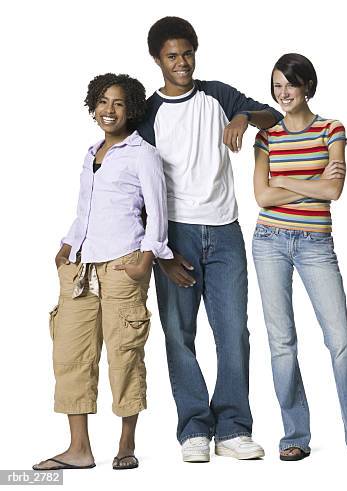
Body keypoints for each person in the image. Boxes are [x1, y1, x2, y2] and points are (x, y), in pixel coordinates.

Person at [138, 17, 283, 462]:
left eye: (187, 53)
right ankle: (194, 429)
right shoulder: (147, 112)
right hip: (175, 235)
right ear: (157, 60)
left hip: (224, 232)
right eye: (172, 56)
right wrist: (161, 254)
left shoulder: (218, 94)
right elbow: (138, 190)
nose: (181, 62)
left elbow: (273, 116)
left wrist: (241, 115)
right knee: (179, 335)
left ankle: (234, 427)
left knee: (233, 332)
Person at [251, 53, 347, 461]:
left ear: (306, 85)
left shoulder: (332, 129)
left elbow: (335, 192)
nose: (283, 93)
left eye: (289, 84)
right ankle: (294, 435)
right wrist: (311, 180)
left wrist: (284, 180)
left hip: (315, 244)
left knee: (340, 340)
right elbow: (262, 196)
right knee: (282, 343)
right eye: (276, 86)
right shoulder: (266, 136)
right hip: (268, 241)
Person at [33, 73, 172, 471]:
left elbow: (157, 212)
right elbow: (85, 211)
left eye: (119, 104)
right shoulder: (91, 152)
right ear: (93, 105)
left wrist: (147, 258)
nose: (109, 110)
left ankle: (126, 443)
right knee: (70, 355)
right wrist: (64, 248)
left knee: (125, 355)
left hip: (122, 265)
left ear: (132, 110)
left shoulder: (142, 153)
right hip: (80, 268)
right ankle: (79, 449)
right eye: (103, 102)